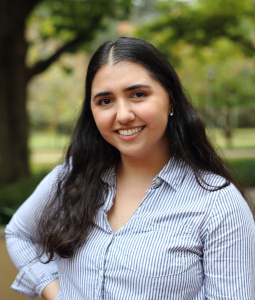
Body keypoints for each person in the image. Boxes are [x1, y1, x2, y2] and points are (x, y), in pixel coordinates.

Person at [5, 37, 255, 300]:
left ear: (171, 100)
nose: (123, 115)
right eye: (105, 101)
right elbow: (20, 235)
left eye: (138, 94)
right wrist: (57, 293)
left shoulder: (217, 204)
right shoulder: (71, 177)